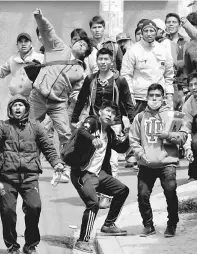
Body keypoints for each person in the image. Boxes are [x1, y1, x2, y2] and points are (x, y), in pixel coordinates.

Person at [0, 94, 65, 254]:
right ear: (10, 109)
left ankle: (30, 245)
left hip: (30, 178)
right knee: (7, 212)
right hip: (7, 179)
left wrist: (57, 163)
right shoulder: (3, 125)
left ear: (26, 108)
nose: (18, 108)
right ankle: (12, 246)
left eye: (21, 105)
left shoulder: (36, 127)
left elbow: (48, 147)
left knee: (34, 207)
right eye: (14, 105)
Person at [30, 8, 92, 183]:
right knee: (28, 129)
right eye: (79, 42)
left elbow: (78, 93)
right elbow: (48, 31)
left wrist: (76, 101)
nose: (81, 44)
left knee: (65, 134)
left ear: (86, 53)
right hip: (38, 97)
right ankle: (28, 165)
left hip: (58, 103)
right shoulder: (58, 46)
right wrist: (40, 17)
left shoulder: (80, 71)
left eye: (85, 45)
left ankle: (63, 169)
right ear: (72, 44)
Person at [129, 83, 188, 238]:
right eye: (151, 96)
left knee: (170, 192)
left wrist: (167, 135)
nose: (154, 99)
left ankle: (172, 224)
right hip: (146, 164)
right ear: (147, 98)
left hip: (167, 163)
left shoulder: (173, 116)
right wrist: (140, 154)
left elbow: (183, 136)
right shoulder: (140, 117)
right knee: (142, 195)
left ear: (163, 98)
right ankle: (148, 225)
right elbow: (133, 140)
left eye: (157, 96)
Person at [71, 101, 130, 253]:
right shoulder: (92, 122)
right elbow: (81, 132)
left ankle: (109, 224)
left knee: (122, 190)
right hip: (82, 173)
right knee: (93, 203)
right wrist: (92, 138)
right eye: (107, 111)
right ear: (100, 112)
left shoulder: (109, 132)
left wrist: (130, 134)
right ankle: (82, 240)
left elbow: (121, 148)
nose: (109, 115)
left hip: (99, 174)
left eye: (113, 113)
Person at [72, 48, 135, 177]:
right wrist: (74, 119)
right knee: (94, 156)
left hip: (114, 123)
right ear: (96, 61)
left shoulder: (120, 80)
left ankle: (110, 187)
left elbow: (128, 102)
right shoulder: (90, 79)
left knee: (113, 160)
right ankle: (95, 187)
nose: (103, 62)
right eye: (100, 59)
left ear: (112, 62)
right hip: (95, 122)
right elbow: (81, 99)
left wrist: (133, 121)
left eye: (106, 59)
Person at [121, 19, 174, 168]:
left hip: (159, 97)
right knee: (138, 128)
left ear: (156, 32)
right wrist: (129, 95)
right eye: (146, 31)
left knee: (159, 129)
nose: (149, 34)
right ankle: (134, 155)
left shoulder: (163, 50)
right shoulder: (133, 50)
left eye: (152, 30)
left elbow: (169, 75)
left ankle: (158, 157)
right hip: (140, 97)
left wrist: (169, 95)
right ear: (141, 33)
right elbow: (126, 75)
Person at [0, 32, 44, 98]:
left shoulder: (40, 58)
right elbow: (0, 73)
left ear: (31, 44)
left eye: (26, 41)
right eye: (20, 42)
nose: (23, 44)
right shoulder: (12, 59)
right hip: (16, 99)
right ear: (17, 45)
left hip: (35, 99)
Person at [181, 73, 197, 181]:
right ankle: (193, 174)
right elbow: (186, 129)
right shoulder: (188, 105)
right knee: (195, 143)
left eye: (196, 84)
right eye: (191, 85)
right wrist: (187, 149)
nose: (193, 88)